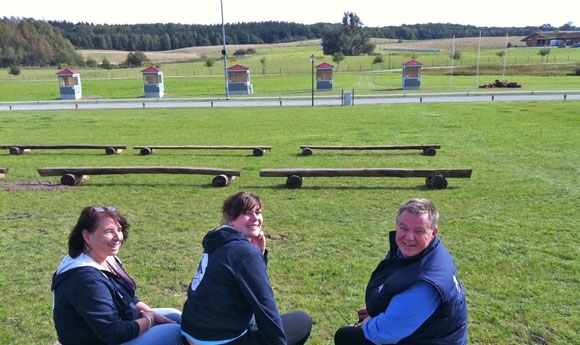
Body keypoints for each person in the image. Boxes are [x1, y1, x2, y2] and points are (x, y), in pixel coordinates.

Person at [181, 191, 312, 345]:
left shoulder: (218, 240)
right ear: (230, 217)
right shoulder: (245, 252)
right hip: (220, 340)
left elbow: (242, 286)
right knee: (302, 321)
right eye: (246, 213)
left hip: (192, 332)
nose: (255, 218)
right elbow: (265, 307)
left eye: (258, 212)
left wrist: (260, 256)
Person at [334, 198, 468, 345]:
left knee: (346, 337)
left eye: (419, 231)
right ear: (397, 226)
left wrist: (367, 322)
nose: (409, 237)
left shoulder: (426, 283)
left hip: (431, 340)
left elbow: (385, 332)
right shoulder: (423, 251)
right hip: (430, 332)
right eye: (403, 228)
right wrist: (381, 309)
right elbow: (401, 287)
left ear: (433, 232)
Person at [51, 206, 183, 345]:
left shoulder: (104, 258)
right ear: (87, 236)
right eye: (108, 231)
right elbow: (113, 333)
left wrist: (151, 313)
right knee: (176, 331)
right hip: (101, 339)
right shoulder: (86, 279)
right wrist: (149, 320)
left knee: (175, 316)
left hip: (117, 325)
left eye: (119, 230)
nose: (118, 237)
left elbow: (125, 295)